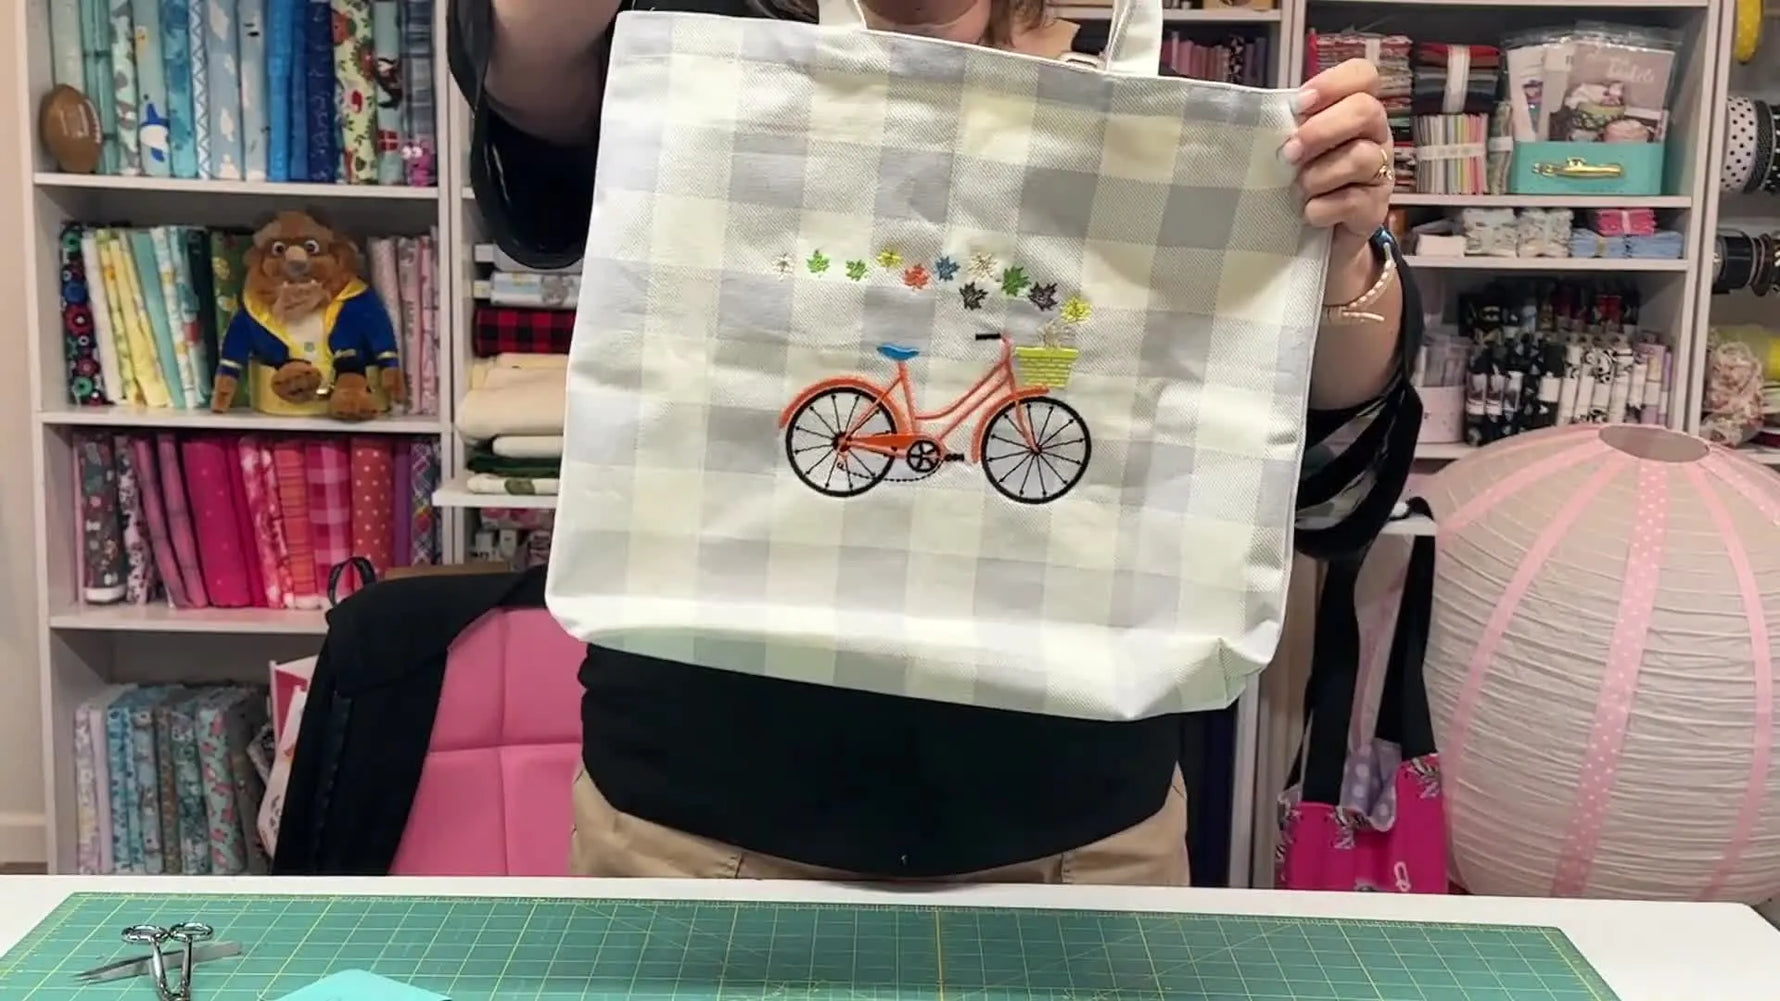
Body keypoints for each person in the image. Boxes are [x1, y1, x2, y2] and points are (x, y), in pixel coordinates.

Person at [447, 0, 1422, 884]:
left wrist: (1336, 258)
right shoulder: (724, 76)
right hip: (697, 837)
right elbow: (528, 125)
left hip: (1081, 849)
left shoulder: (1151, 135)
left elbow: (1327, 498)